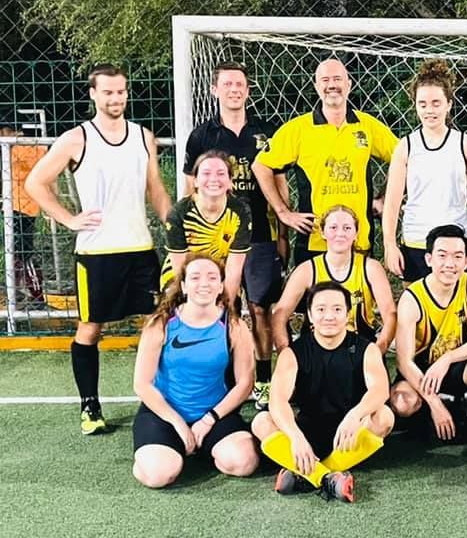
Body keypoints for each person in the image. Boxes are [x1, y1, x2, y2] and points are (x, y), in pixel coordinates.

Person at [25, 63, 171, 435]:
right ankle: (90, 406)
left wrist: (173, 226)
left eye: (120, 91)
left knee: (156, 325)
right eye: (107, 92)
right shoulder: (77, 139)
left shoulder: (143, 137)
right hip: (96, 253)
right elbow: (35, 182)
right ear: (93, 94)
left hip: (141, 248)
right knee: (91, 328)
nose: (115, 98)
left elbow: (155, 187)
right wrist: (68, 219)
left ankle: (158, 400)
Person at [181, 61, 288, 411]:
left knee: (260, 308)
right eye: (227, 84)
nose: (234, 90)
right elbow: (189, 189)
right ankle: (224, 377)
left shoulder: (266, 132)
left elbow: (280, 184)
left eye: (239, 84)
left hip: (259, 234)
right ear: (215, 90)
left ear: (247, 90)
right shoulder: (202, 135)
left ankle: (264, 380)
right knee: (222, 306)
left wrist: (283, 233)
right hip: (215, 238)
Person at [251, 281, 394, 502]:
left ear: (347, 313)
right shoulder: (293, 353)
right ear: (310, 314)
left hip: (350, 434)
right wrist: (296, 437)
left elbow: (380, 390)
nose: (329, 316)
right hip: (308, 433)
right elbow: (277, 401)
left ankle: (307, 475)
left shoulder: (367, 349)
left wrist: (355, 415)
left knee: (384, 416)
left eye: (337, 309)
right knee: (261, 422)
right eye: (321, 309)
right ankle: (328, 478)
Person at [252, 58, 397, 264]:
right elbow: (261, 165)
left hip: (359, 240)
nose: (332, 85)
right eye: (325, 80)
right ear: (316, 87)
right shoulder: (298, 129)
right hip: (315, 242)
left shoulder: (367, 126)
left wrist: (384, 198)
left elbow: (404, 158)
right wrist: (283, 212)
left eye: (337, 79)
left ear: (349, 84)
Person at [132, 254, 259, 488]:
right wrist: (178, 423)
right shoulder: (161, 324)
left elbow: (245, 383)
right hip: (166, 414)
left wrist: (210, 419)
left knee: (243, 463)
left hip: (214, 413)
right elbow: (142, 384)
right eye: (195, 277)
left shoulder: (234, 326)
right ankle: (168, 449)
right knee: (158, 475)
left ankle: (202, 446)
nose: (204, 283)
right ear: (183, 285)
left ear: (220, 286)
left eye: (212, 277)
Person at [390, 224, 467, 441]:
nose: (450, 264)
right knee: (403, 403)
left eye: (457, 256)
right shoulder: (412, 297)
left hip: (455, 367)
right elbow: (404, 362)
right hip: (422, 372)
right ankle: (436, 410)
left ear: (466, 262)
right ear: (429, 259)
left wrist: (447, 358)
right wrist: (434, 403)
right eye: (442, 256)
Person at [382, 59, 467, 283]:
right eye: (423, 104)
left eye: (436, 103)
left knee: (462, 304)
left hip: (457, 243)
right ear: (415, 105)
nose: (429, 110)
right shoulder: (406, 146)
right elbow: (392, 203)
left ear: (449, 104)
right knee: (417, 304)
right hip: (417, 243)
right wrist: (389, 244)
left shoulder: (465, 144)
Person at [271, 205, 396, 355]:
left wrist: (378, 350)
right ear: (323, 232)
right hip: (316, 351)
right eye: (333, 228)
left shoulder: (371, 268)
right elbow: (280, 312)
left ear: (356, 233)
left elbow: (390, 313)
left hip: (359, 349)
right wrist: (285, 351)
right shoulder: (307, 270)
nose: (340, 233)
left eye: (347, 228)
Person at [161, 150, 252, 307]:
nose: (214, 179)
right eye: (206, 173)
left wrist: (226, 308)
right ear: (195, 181)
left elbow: (234, 269)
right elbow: (179, 268)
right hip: (185, 274)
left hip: (220, 273)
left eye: (221, 173)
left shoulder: (241, 212)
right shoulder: (179, 213)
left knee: (228, 309)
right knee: (177, 305)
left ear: (230, 181)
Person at [0, 126, 47, 306]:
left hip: (23, 205)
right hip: (14, 204)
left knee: (23, 252)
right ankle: (17, 291)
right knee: (14, 251)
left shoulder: (26, 147)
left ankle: (36, 294)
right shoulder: (13, 148)